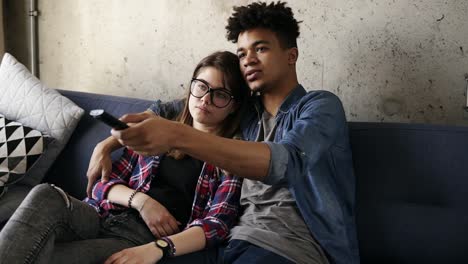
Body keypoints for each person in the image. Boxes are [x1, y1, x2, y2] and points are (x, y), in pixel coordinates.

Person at [89, 2, 360, 263]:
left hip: (291, 246)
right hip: (228, 242)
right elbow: (170, 109)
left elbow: (285, 162)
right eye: (242, 54)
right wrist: (106, 145)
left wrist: (176, 135)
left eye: (261, 49)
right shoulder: (241, 109)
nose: (248, 60)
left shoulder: (320, 106)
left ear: (291, 55)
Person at [0, 51, 249, 264]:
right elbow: (100, 186)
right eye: (202, 86)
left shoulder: (228, 158)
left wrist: (159, 248)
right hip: (98, 215)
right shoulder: (158, 132)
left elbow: (216, 225)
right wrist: (142, 201)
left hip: (135, 238)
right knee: (46, 193)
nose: (205, 99)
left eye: (220, 94)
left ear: (234, 106)